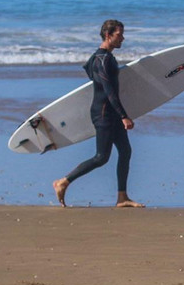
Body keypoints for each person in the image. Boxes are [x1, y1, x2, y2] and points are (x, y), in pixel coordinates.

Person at [53, 19, 144, 208]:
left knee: (125, 151)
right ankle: (63, 181)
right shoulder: (104, 59)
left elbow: (89, 70)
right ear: (108, 35)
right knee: (101, 157)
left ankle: (122, 197)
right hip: (104, 114)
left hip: (109, 112)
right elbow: (109, 90)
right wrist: (123, 115)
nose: (123, 38)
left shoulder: (98, 57)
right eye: (119, 35)